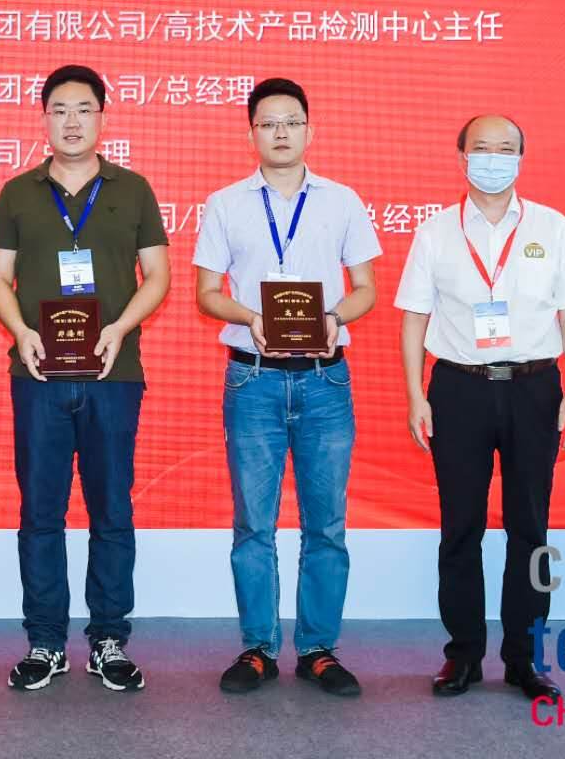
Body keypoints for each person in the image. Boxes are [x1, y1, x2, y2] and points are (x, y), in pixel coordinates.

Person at [394, 115, 565, 703]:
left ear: (521, 159)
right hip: (459, 389)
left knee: (530, 525)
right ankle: (462, 655)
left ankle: (524, 658)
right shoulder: (435, 232)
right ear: (461, 157)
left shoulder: (553, 227)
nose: (493, 158)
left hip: (535, 388)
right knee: (461, 526)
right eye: (481, 148)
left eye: (505, 149)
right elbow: (414, 318)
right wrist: (415, 395)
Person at [0, 64, 170, 692]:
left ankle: (109, 639)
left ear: (102, 117)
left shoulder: (133, 189)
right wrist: (21, 332)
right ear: (44, 118)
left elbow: (159, 277)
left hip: (115, 375)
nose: (72, 121)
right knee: (41, 513)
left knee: (111, 510)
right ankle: (45, 643)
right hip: (38, 373)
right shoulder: (18, 192)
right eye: (60, 109)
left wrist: (118, 329)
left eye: (84, 109)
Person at [193, 78, 381, 695]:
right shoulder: (225, 204)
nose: (281, 133)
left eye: (292, 122)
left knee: (327, 523)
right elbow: (207, 293)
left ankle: (319, 648)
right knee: (254, 523)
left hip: (326, 379)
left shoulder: (342, 201)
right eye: (268, 123)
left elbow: (366, 289)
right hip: (253, 378)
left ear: (309, 130)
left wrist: (334, 319)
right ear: (251, 132)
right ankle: (258, 647)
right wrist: (251, 317)